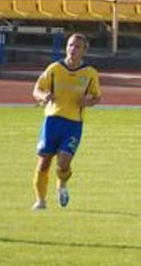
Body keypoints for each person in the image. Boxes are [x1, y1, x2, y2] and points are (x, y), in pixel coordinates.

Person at [31, 33, 102, 210]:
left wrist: (88, 102)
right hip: (52, 121)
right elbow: (37, 90)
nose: (72, 49)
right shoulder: (55, 69)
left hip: (73, 124)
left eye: (77, 47)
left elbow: (97, 96)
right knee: (44, 162)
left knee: (64, 163)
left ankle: (61, 184)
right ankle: (40, 201)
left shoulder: (90, 73)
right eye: (70, 45)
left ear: (84, 51)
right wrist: (43, 96)